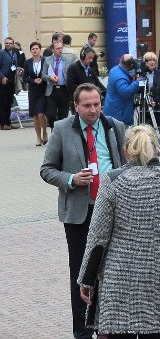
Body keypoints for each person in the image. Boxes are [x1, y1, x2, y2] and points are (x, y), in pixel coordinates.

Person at [40, 83, 126, 339]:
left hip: (112, 211)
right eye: (87, 105)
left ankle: (107, 327)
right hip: (80, 213)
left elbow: (126, 164)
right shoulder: (62, 128)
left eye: (97, 104)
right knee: (81, 273)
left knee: (112, 272)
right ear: (76, 106)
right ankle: (83, 331)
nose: (93, 110)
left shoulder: (115, 126)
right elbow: (47, 169)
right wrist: (71, 179)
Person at [78, 125, 160, 338]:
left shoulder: (112, 180)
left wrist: (87, 279)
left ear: (126, 150)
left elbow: (98, 237)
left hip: (119, 281)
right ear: (157, 149)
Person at [43, 40, 76, 129]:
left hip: (64, 89)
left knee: (63, 115)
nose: (60, 50)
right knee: (51, 114)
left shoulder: (68, 60)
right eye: (57, 48)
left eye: (61, 48)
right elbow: (43, 74)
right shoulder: (47, 60)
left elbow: (72, 73)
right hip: (52, 90)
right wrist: (49, 77)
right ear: (53, 50)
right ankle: (54, 130)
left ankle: (61, 133)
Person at [103, 54, 141, 126]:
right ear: (132, 65)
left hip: (111, 109)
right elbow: (126, 92)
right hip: (119, 115)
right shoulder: (120, 78)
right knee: (120, 133)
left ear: (121, 60)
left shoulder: (114, 70)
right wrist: (138, 82)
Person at [23, 42, 49, 146]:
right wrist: (33, 80)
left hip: (43, 90)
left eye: (36, 48)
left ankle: (45, 132)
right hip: (33, 91)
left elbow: (48, 73)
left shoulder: (45, 61)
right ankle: (38, 137)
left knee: (41, 113)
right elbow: (25, 78)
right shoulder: (28, 62)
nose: (35, 50)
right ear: (31, 50)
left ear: (40, 50)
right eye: (33, 49)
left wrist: (42, 79)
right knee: (35, 115)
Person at [66, 47, 107, 115]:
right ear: (82, 56)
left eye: (92, 58)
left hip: (91, 101)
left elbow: (97, 83)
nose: (91, 60)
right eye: (90, 57)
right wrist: (85, 90)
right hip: (78, 102)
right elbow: (70, 85)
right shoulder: (73, 68)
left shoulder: (90, 69)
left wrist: (106, 92)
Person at [0, 37, 20, 130]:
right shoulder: (1, 53)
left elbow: (15, 65)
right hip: (3, 81)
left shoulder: (14, 53)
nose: (8, 44)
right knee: (3, 102)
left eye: (10, 43)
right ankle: (3, 124)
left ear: (13, 44)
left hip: (12, 80)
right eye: (6, 43)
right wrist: (2, 77)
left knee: (9, 102)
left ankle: (8, 122)